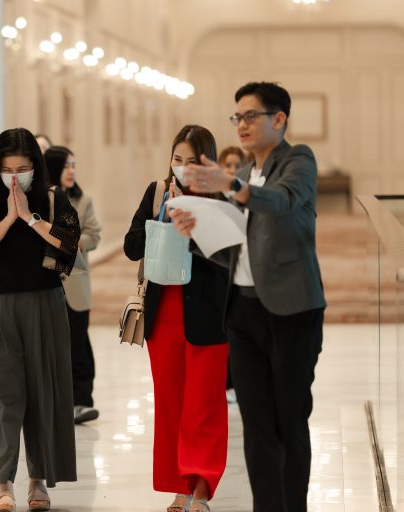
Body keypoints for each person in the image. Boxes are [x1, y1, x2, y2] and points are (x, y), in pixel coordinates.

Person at [170, 82, 326, 512]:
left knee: (288, 423)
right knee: (256, 429)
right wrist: (195, 234)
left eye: (250, 116)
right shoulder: (245, 174)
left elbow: (282, 202)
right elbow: (238, 250)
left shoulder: (297, 161)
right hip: (242, 312)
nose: (241, 124)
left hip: (292, 311)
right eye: (237, 117)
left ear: (279, 119)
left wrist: (232, 185)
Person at [0, 128, 80, 512]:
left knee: (42, 395)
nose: (15, 178)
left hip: (44, 304)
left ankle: (38, 480)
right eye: (7, 170)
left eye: (23, 169)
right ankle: (3, 483)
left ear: (35, 167)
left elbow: (68, 246)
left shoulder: (53, 199)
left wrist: (29, 218)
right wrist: (9, 218)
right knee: (4, 396)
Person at [123, 125, 229, 512]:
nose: (181, 167)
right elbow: (131, 246)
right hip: (164, 314)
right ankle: (180, 487)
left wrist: (194, 224)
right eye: (177, 159)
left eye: (191, 161)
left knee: (204, 405)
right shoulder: (156, 194)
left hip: (208, 315)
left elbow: (227, 259)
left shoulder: (221, 201)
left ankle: (202, 486)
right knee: (171, 403)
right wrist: (163, 220)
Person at [44, 145, 102, 424]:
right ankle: (56, 402)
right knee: (51, 346)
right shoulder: (41, 201)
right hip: (47, 283)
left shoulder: (83, 200)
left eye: (74, 165)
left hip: (76, 284)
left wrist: (72, 242)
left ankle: (82, 401)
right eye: (66, 165)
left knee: (79, 344)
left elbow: (94, 234)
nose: (71, 171)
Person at [218, 145, 247, 404]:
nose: (232, 170)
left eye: (237, 166)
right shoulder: (215, 198)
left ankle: (238, 382)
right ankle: (226, 382)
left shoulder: (247, 198)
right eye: (227, 165)